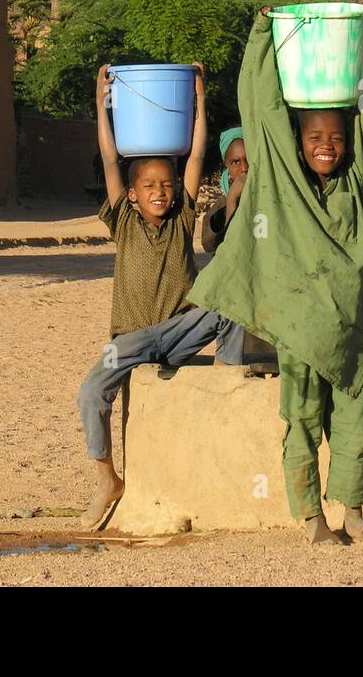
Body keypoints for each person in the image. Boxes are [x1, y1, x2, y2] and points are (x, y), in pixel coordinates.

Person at [188, 6, 363, 546]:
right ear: (297, 142)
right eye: (313, 138)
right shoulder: (278, 181)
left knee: (355, 421)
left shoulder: (357, 182)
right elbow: (260, 103)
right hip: (298, 333)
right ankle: (313, 520)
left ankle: (354, 513)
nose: (325, 145)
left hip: (349, 334)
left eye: (334, 136)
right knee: (303, 419)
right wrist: (263, 33)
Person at [76, 62, 244, 530]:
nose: (160, 192)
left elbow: (194, 154)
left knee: (228, 305)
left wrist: (199, 99)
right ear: (130, 196)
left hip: (177, 331)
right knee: (91, 392)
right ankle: (108, 480)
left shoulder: (180, 219)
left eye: (166, 186)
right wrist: (101, 103)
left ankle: (225, 383)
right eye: (148, 186)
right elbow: (111, 160)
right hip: (131, 339)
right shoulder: (123, 222)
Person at [201, 126, 248, 252]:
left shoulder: (270, 197)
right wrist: (231, 199)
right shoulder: (221, 205)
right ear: (226, 165)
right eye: (235, 162)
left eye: (249, 158)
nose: (244, 168)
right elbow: (209, 244)